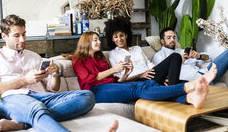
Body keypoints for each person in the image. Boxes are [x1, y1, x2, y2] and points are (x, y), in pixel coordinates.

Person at [0, 14, 119, 132]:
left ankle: (22, 123)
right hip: (11, 98)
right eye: (16, 36)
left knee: (87, 96)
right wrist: (24, 80)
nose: (22, 39)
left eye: (24, 34)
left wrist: (55, 74)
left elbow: (53, 88)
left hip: (42, 97)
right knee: (36, 108)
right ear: (4, 36)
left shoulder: (34, 57)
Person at [72, 31, 217, 108]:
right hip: (96, 92)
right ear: (86, 42)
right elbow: (88, 79)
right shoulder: (78, 59)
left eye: (98, 39)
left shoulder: (100, 58)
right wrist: (113, 70)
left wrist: (125, 74)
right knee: (138, 88)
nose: (98, 42)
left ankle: (188, 98)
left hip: (113, 86)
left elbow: (115, 80)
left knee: (150, 84)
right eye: (95, 40)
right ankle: (188, 86)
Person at [105, 16, 182, 86]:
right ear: (112, 39)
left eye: (121, 35)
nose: (119, 39)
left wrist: (162, 76)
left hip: (151, 75)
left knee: (182, 78)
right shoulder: (113, 54)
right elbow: (119, 79)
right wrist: (140, 75)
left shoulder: (137, 49)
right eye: (116, 37)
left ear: (126, 35)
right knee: (175, 56)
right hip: (138, 80)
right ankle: (172, 89)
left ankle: (171, 88)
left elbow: (150, 64)